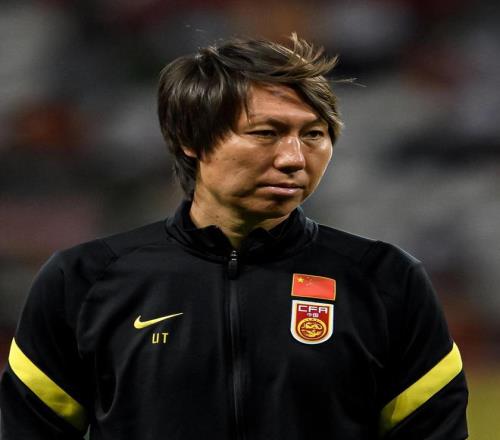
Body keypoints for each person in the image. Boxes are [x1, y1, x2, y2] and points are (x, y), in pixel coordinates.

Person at [0, 34, 468, 439]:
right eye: (266, 133)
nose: (294, 158)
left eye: (313, 134)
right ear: (190, 137)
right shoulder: (84, 280)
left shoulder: (387, 280)